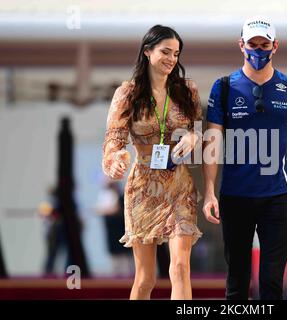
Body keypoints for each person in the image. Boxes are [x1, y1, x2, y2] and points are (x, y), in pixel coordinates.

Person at [202, 16, 287, 300]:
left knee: (271, 282)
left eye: (264, 44)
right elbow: (213, 141)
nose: (258, 50)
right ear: (241, 45)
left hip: (276, 196)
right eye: (252, 44)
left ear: (275, 46)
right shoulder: (224, 86)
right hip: (235, 195)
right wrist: (209, 192)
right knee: (237, 282)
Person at [101, 25, 203, 300]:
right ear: (147, 52)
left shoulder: (187, 90)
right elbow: (114, 138)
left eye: (176, 54)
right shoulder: (128, 93)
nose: (171, 59)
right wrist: (116, 158)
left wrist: (193, 137)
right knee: (146, 277)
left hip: (178, 183)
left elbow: (199, 130)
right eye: (165, 52)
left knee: (180, 267)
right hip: (143, 185)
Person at [95, 180, 133, 277]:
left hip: (121, 230)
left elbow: (118, 210)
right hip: (112, 231)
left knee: (124, 258)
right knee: (115, 258)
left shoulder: (121, 197)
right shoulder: (106, 196)